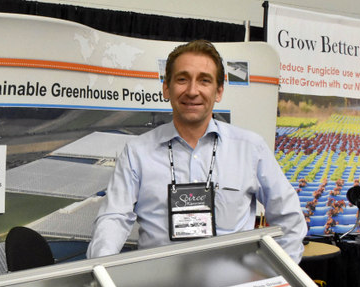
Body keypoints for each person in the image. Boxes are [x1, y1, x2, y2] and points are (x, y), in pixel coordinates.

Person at [87, 40, 306, 262]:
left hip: (231, 282)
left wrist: (274, 273)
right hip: (160, 282)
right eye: (182, 79)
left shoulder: (250, 149)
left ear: (218, 91)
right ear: (166, 88)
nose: (192, 91)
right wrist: (101, 269)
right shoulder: (137, 153)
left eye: (204, 80)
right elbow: (113, 218)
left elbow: (289, 218)